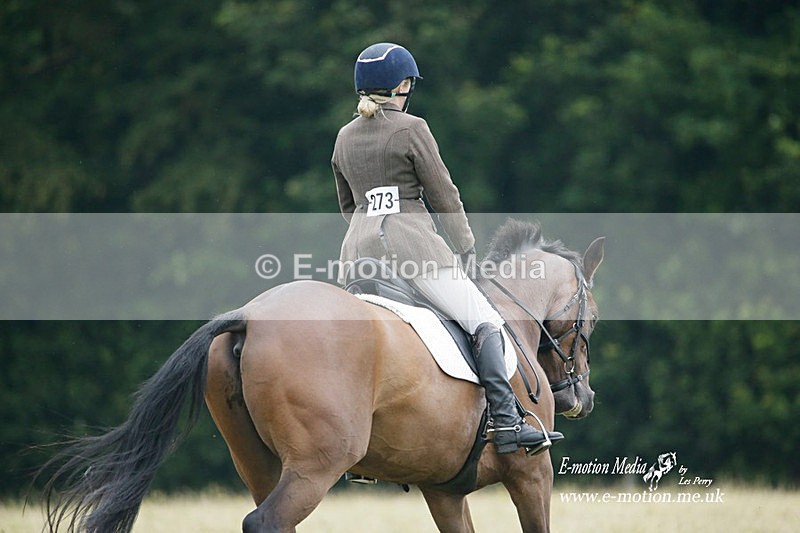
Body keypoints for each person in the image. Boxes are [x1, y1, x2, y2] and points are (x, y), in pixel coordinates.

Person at [331, 42, 563, 455]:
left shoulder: (344, 137)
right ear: (402, 86)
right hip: (414, 252)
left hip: (357, 260)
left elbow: (348, 206)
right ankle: (507, 421)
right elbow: (444, 196)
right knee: (484, 319)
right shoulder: (412, 128)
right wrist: (466, 248)